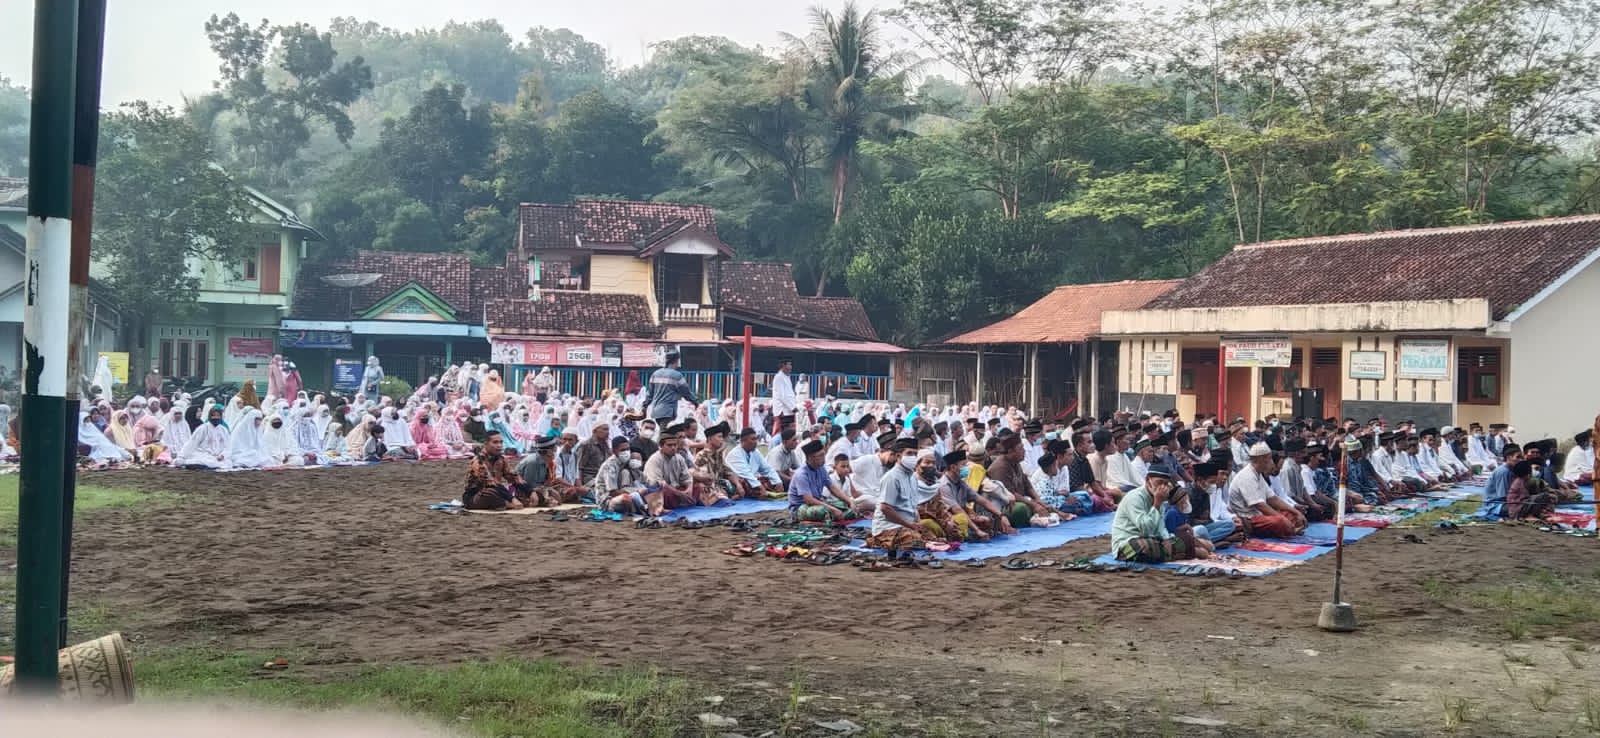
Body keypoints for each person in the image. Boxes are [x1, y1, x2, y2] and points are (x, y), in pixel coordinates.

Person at [1112, 467, 1204, 563]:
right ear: (1148, 480)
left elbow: (1161, 526)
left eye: (1166, 484)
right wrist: (1156, 504)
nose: (1162, 487)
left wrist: (1166, 539)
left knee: (1187, 538)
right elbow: (1146, 529)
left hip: (1154, 540)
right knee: (1145, 546)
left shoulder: (1160, 498)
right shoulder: (1135, 498)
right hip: (1128, 542)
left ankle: (1168, 554)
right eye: (1159, 482)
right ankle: (1174, 554)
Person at [1227, 442, 1306, 539]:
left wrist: (1296, 512)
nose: (1271, 461)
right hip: (1249, 517)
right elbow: (1260, 505)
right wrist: (1282, 518)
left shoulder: (1258, 474)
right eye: (1269, 458)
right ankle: (1288, 529)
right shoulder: (1246, 476)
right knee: (1279, 522)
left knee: (1291, 514)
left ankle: (1289, 528)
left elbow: (1273, 499)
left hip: (1260, 514)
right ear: (1261, 459)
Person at [866, 439, 927, 553]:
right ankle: (877, 541)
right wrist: (909, 525)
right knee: (914, 540)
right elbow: (885, 508)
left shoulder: (912, 477)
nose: (913, 457)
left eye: (915, 454)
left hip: (907, 524)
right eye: (909, 453)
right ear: (899, 456)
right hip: (888, 527)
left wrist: (918, 524)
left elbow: (913, 506)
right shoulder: (892, 477)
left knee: (936, 534)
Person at [939, 449, 1015, 540]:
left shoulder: (960, 482)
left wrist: (1001, 516)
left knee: (986, 520)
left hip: (965, 516)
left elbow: (981, 500)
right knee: (965, 523)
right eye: (963, 464)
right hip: (949, 519)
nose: (966, 468)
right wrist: (977, 530)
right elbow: (957, 510)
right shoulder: (944, 485)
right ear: (953, 467)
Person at [788, 440, 858, 522]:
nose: (824, 458)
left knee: (851, 503)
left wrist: (849, 501)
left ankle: (834, 517)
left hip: (818, 502)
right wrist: (832, 509)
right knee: (821, 511)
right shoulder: (801, 474)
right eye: (820, 455)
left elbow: (832, 488)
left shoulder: (821, 468)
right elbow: (809, 500)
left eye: (823, 454)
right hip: (801, 507)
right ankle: (834, 516)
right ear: (811, 457)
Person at [463, 431, 523, 510]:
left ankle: (505, 503)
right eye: (495, 442)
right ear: (486, 444)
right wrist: (512, 498)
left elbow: (513, 476)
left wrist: (530, 491)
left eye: (501, 442)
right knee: (490, 493)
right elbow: (491, 483)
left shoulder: (501, 459)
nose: (499, 445)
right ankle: (506, 504)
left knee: (529, 492)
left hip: (497, 491)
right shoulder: (478, 460)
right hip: (476, 495)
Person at [642, 430, 697, 516]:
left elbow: (687, 478)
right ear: (661, 446)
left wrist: (688, 491)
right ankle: (661, 509)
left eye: (675, 445)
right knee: (660, 493)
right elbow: (658, 484)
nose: (673, 448)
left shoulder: (679, 458)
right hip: (662, 492)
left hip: (676, 490)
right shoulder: (655, 460)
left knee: (698, 487)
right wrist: (680, 494)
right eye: (669, 445)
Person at [594, 436, 647, 515]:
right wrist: (635, 492)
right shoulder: (610, 465)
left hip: (625, 493)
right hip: (607, 501)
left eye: (628, 449)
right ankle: (643, 509)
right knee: (626, 498)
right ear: (614, 451)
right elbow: (613, 492)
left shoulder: (626, 461)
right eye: (623, 450)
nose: (626, 452)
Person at [727, 426, 784, 498]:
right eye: (753, 439)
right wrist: (760, 487)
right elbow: (746, 474)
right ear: (743, 441)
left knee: (772, 481)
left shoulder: (755, 452)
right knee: (747, 483)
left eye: (756, 439)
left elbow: (767, 468)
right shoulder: (735, 454)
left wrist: (778, 482)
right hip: (739, 481)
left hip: (753, 479)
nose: (756, 442)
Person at [515, 437, 563, 506]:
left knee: (560, 494)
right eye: (554, 449)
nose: (556, 450)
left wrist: (549, 490)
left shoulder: (547, 461)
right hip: (525, 490)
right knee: (552, 502)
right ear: (548, 451)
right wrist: (548, 492)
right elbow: (529, 485)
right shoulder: (533, 462)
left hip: (539, 488)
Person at [770, 358, 798, 433]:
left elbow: (789, 394)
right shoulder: (778, 377)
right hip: (782, 410)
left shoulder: (787, 377)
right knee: (781, 432)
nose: (791, 367)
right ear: (783, 365)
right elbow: (782, 396)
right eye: (789, 364)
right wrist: (792, 407)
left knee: (790, 432)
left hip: (789, 410)